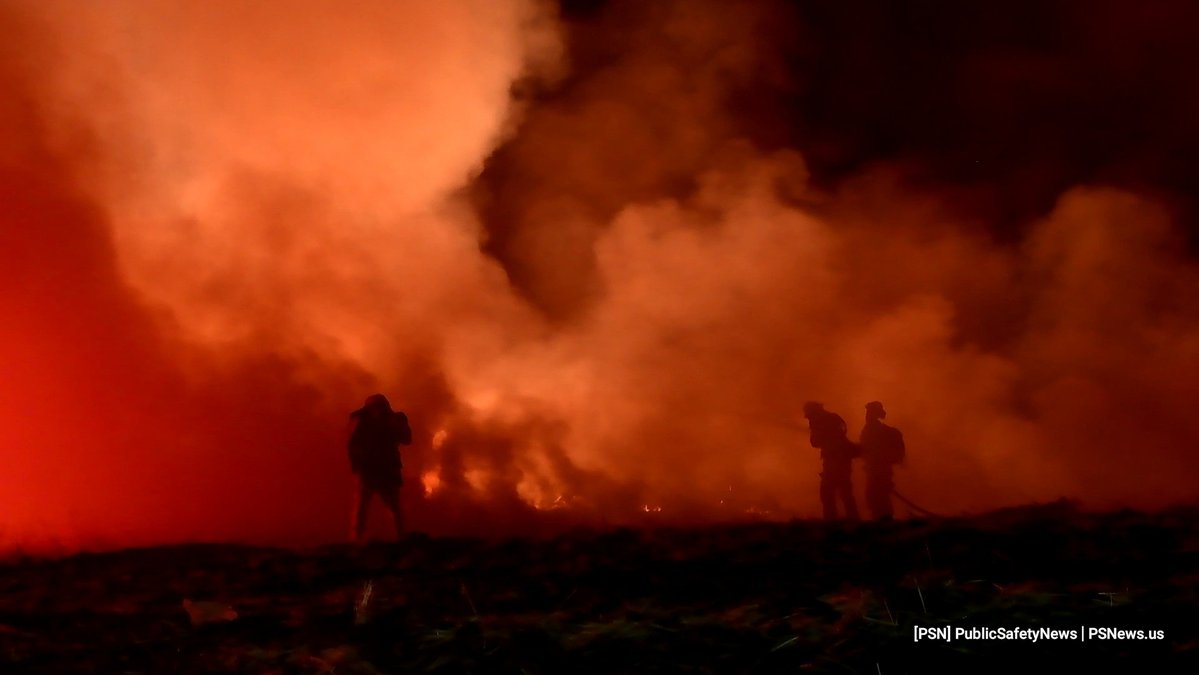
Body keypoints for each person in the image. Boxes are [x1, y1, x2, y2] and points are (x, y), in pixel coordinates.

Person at [348, 393, 412, 542]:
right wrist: (357, 466)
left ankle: (399, 537)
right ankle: (357, 539)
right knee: (363, 506)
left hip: (386, 468)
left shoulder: (394, 419)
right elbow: (352, 444)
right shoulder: (361, 420)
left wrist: (395, 425)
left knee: (391, 507)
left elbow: (407, 439)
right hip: (370, 468)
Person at [802, 401, 859, 521]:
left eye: (809, 415)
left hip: (834, 459)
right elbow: (842, 433)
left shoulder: (819, 421)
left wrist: (817, 435)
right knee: (845, 491)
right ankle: (853, 519)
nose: (809, 418)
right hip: (842, 459)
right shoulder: (834, 418)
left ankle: (831, 521)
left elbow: (815, 442)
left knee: (827, 493)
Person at [859, 401, 905, 521]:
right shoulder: (873, 429)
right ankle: (883, 519)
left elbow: (870, 449)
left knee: (877, 495)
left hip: (879, 468)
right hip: (875, 468)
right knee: (876, 495)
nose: (867, 415)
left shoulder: (875, 430)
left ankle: (884, 520)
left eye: (869, 412)